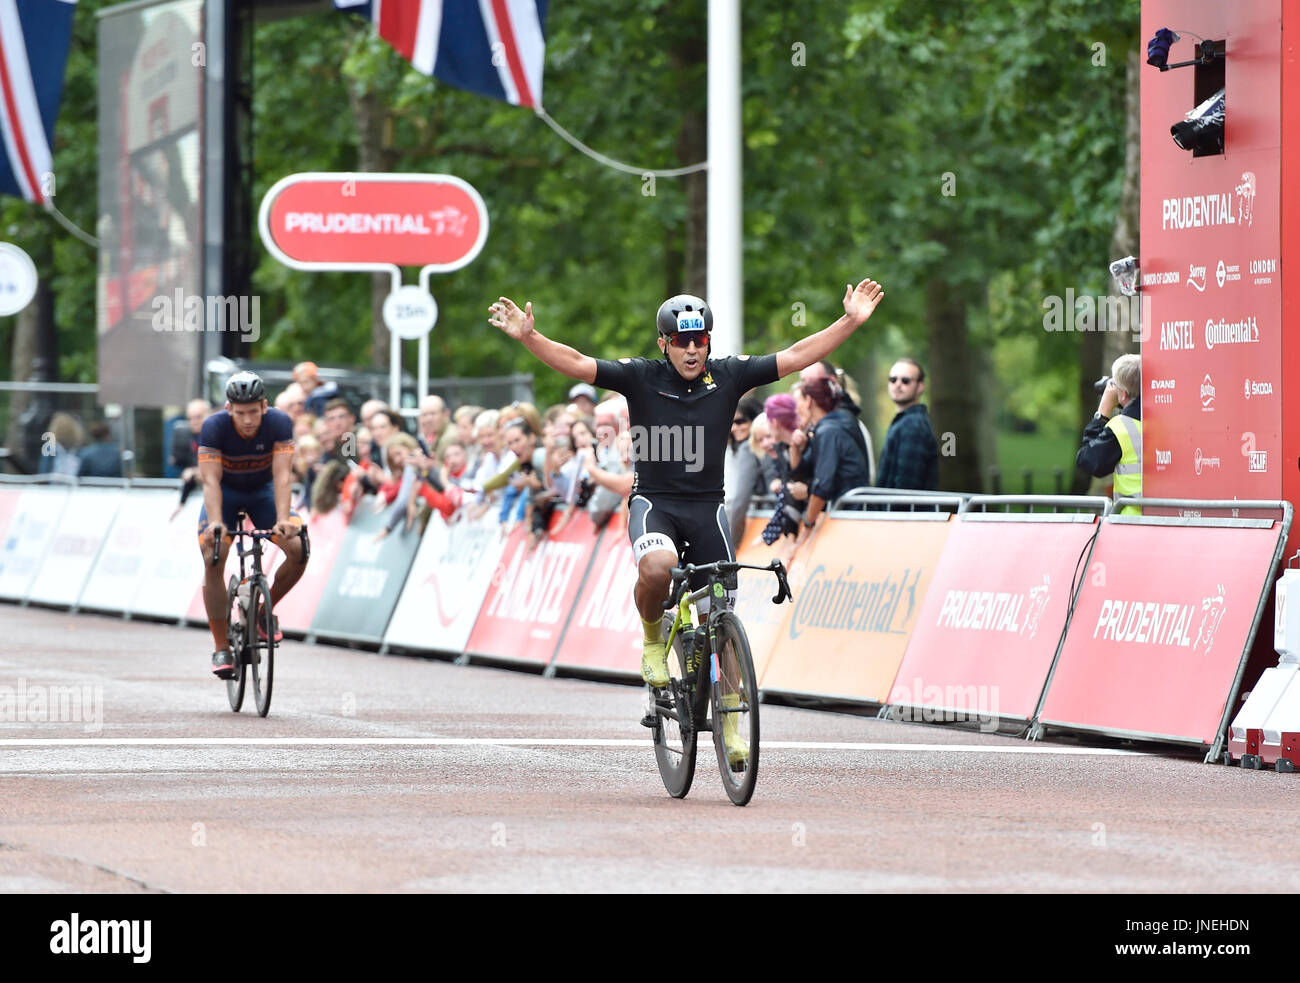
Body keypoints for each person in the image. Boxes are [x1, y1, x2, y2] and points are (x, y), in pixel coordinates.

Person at [489, 278, 885, 768]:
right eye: (682, 340)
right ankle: (653, 641)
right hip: (655, 502)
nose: (693, 349)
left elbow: (797, 354)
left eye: (701, 340)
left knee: (722, 617)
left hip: (708, 509)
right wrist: (530, 337)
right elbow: (576, 362)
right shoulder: (640, 376)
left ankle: (732, 722)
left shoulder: (730, 375)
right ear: (664, 343)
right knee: (658, 568)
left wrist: (849, 321)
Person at [197, 372, 309, 679]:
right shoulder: (214, 427)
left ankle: (261, 613)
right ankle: (221, 647)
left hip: (263, 493)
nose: (247, 420)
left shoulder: (280, 423)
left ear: (264, 406)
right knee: (213, 554)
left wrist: (284, 519)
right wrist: (217, 522)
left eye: (253, 412)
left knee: (299, 549)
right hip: (226, 493)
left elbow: (283, 476)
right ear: (229, 408)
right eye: (240, 413)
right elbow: (210, 481)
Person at [794, 376, 872, 541]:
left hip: (849, 518)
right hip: (846, 515)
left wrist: (807, 526)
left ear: (809, 400)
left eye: (798, 401)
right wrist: (794, 446)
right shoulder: (825, 428)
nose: (796, 409)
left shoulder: (829, 431)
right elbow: (799, 472)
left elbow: (822, 486)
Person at [1077, 353, 1142, 515]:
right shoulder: (1170, 417)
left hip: (1133, 521)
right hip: (1170, 519)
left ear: (1124, 394)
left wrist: (1102, 412)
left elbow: (1089, 461)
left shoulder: (1122, 427)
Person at [800, 359, 875, 485]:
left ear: (831, 382)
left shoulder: (835, 426)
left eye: (810, 382)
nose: (804, 388)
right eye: (802, 381)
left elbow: (824, 484)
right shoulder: (819, 426)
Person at [876, 357, 939, 491]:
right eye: (893, 379)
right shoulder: (906, 422)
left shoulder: (913, 425)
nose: (898, 384)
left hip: (903, 511)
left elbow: (906, 486)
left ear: (920, 387)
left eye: (905, 381)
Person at [723, 395, 765, 547]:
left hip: (755, 525)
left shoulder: (747, 449)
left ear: (755, 418)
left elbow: (738, 500)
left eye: (740, 421)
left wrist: (732, 543)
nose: (734, 428)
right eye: (732, 422)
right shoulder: (738, 448)